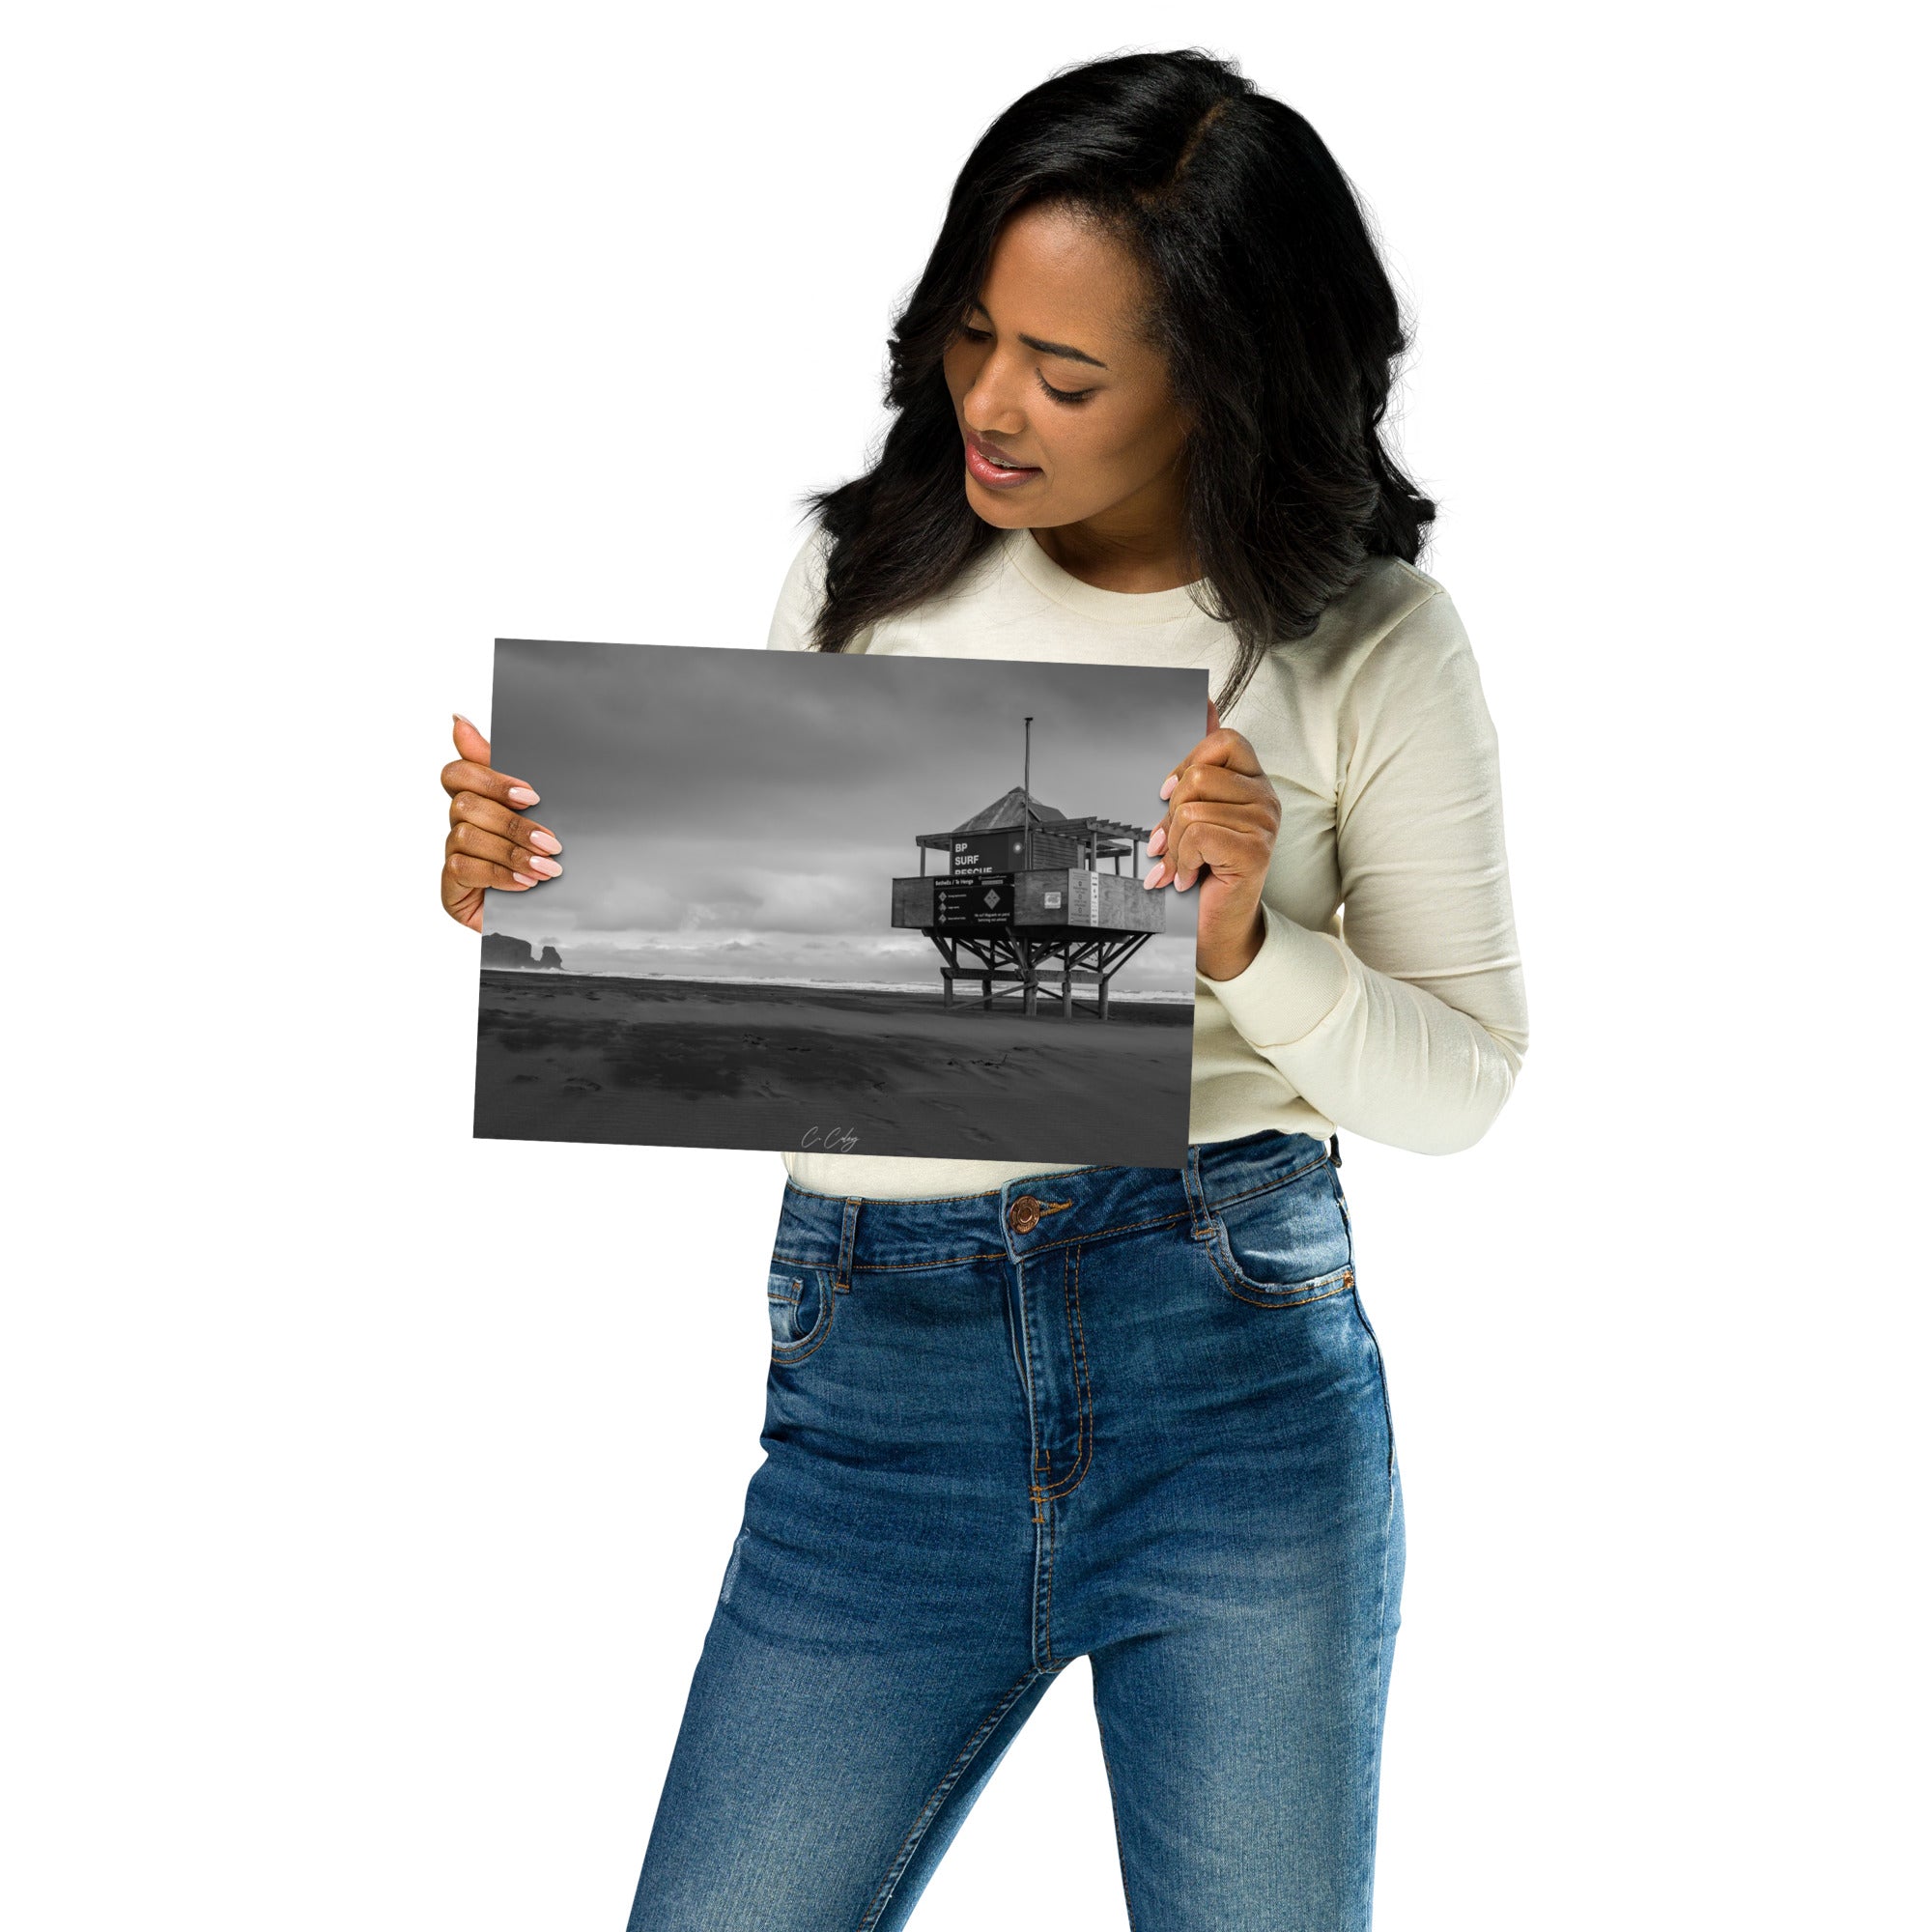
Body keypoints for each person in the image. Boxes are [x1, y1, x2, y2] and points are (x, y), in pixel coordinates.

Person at [440, 48, 1528, 1931]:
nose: (990, 403)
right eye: (969, 334)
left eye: (1067, 371)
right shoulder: (865, 574)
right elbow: (788, 998)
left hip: (1228, 1373)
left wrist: (1248, 943)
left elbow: (1463, 1087)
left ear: (1222, 385)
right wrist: (540, 894)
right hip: (875, 1390)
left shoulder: (1369, 642)